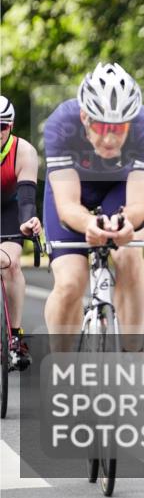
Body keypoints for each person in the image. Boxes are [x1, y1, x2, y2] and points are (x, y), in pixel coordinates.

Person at [43, 63, 144, 351]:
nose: (109, 139)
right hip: (76, 192)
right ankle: (62, 366)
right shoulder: (60, 124)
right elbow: (68, 205)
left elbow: (138, 204)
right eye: (101, 127)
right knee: (71, 282)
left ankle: (132, 354)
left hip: (118, 190)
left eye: (119, 129)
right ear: (85, 117)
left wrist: (126, 224)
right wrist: (88, 225)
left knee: (129, 258)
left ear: (130, 123)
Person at [0, 95, 42, 369]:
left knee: (11, 265)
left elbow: (27, 201)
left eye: (1, 126)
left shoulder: (24, 151)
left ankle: (15, 338)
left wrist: (29, 222)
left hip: (9, 213)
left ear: (11, 126)